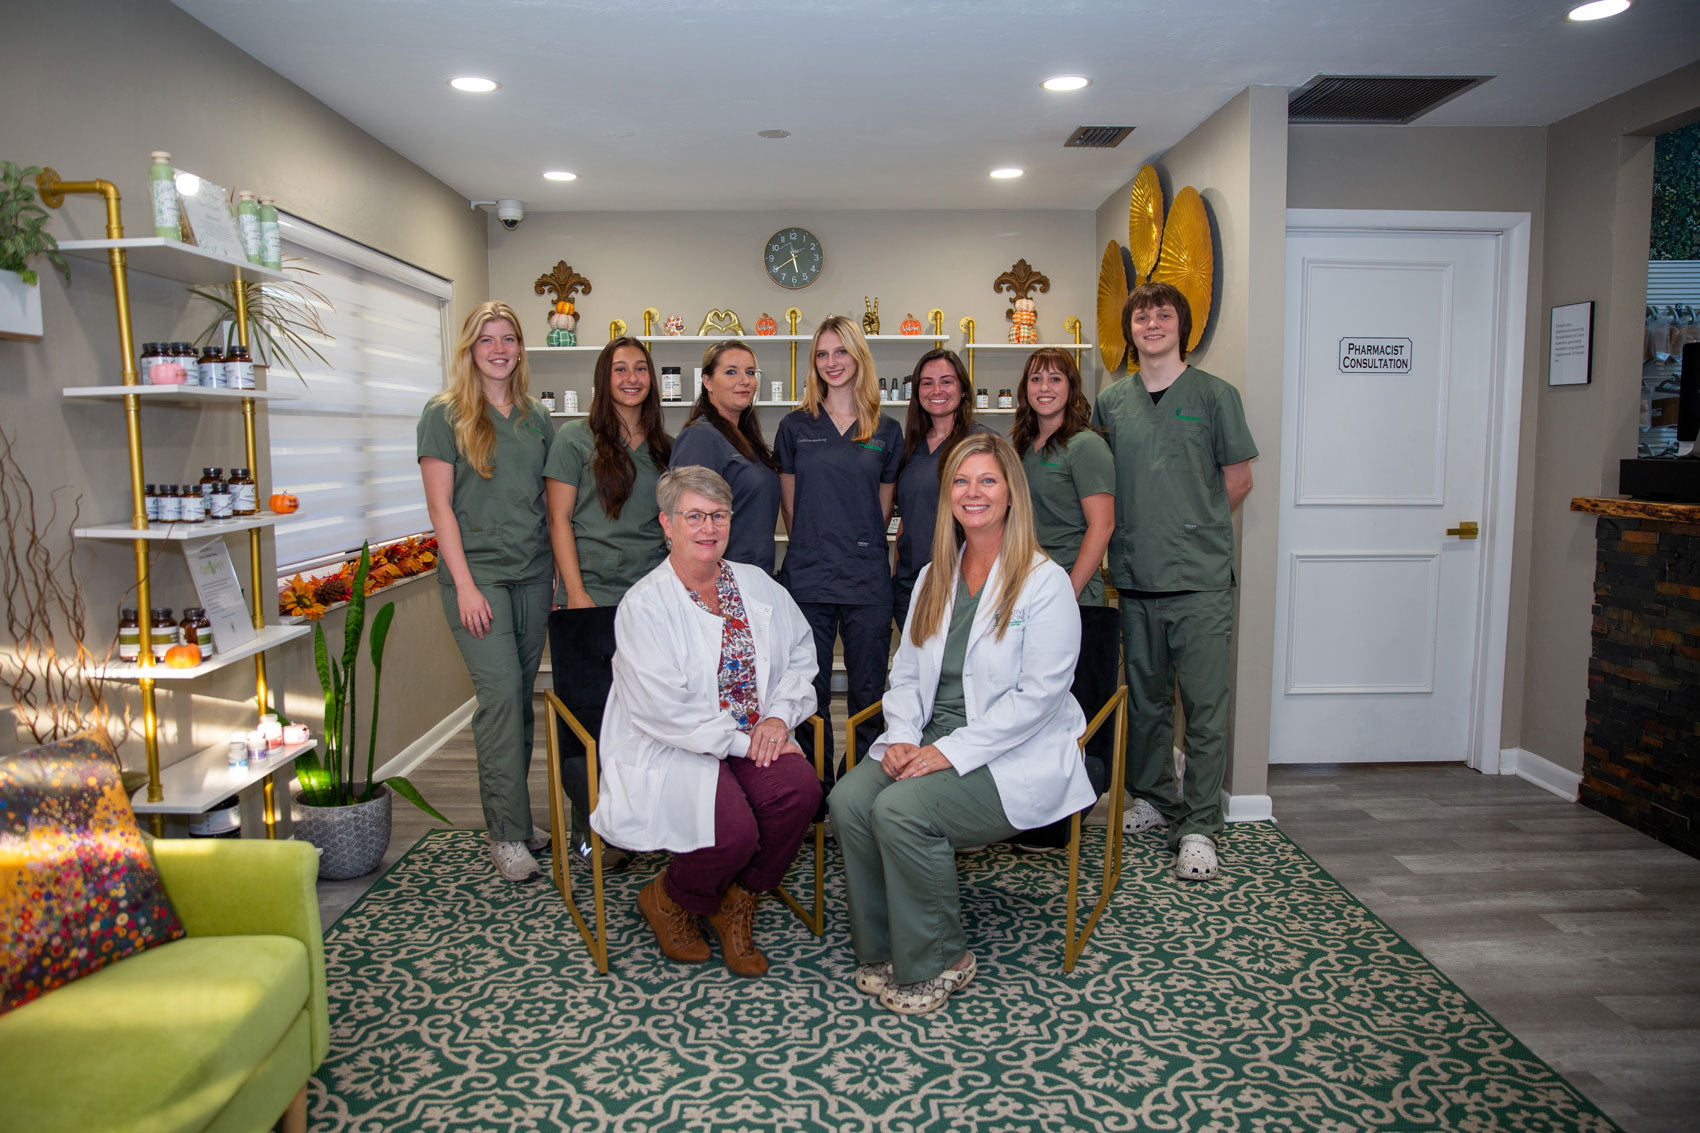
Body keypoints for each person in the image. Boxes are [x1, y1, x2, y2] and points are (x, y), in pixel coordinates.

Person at [829, 432, 1094, 1015]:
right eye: (961, 481)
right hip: (928, 735)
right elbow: (905, 674)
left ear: (1011, 493)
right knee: (848, 800)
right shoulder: (934, 575)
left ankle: (942, 956)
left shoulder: (1044, 582)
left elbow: (1039, 698)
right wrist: (903, 738)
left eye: (988, 480)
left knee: (901, 811)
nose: (973, 493)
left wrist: (950, 752)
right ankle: (885, 945)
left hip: (1009, 751)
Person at [593, 466, 822, 977]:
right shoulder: (645, 605)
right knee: (732, 833)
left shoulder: (756, 584)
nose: (708, 528)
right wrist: (746, 744)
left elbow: (801, 654)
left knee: (800, 793)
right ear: (667, 523)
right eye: (693, 516)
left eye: (719, 515)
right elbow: (665, 709)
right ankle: (670, 898)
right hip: (676, 742)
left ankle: (737, 899)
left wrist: (778, 719)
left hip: (754, 732)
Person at [1090, 281, 1257, 882]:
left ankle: (1200, 825)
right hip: (1136, 578)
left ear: (1182, 327)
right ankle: (1157, 798)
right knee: (1147, 704)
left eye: (1163, 315)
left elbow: (1238, 480)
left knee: (1205, 708)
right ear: (1130, 331)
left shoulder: (1215, 396)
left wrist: (1192, 526)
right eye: (1142, 317)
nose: (1152, 325)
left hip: (1198, 580)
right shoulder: (1112, 403)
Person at [418, 300, 556, 882]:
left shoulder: (536, 416)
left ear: (520, 348)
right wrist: (466, 587)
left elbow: (547, 501)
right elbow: (440, 509)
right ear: (470, 349)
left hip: (534, 574)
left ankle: (517, 818)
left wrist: (557, 576)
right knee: (498, 696)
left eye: (508, 339)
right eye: (486, 340)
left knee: (519, 699)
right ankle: (504, 833)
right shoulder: (444, 414)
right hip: (478, 578)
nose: (498, 350)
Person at [775, 316, 903, 777]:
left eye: (841, 351)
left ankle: (858, 786)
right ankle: (816, 787)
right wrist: (818, 542)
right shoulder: (795, 427)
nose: (832, 362)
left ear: (858, 356)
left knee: (869, 689)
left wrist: (856, 542)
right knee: (810, 690)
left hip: (866, 578)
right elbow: (791, 506)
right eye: (822, 354)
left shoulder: (886, 430)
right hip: (808, 576)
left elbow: (882, 508)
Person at [544, 336, 672, 607]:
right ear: (604, 378)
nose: (632, 378)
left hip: (652, 589)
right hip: (590, 589)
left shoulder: (667, 447)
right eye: (620, 369)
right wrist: (575, 592)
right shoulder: (573, 438)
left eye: (641, 368)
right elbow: (559, 519)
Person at [891, 347, 989, 628]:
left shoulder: (980, 443)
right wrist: (897, 574)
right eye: (927, 383)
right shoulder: (912, 445)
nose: (937, 390)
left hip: (961, 587)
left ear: (963, 389)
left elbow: (1000, 521)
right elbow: (907, 517)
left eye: (946, 381)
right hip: (910, 587)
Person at [1011, 348, 1115, 605]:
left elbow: (1102, 525)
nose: (1044, 387)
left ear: (1071, 387)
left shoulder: (1085, 445)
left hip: (1072, 590)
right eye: (1036, 379)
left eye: (1055, 379)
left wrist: (1070, 590)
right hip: (1030, 585)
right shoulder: (1024, 447)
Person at [671, 340, 782, 573]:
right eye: (731, 372)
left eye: (750, 372)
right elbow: (687, 524)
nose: (745, 380)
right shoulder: (700, 437)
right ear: (707, 381)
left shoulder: (745, 438)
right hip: (719, 578)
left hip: (753, 575)